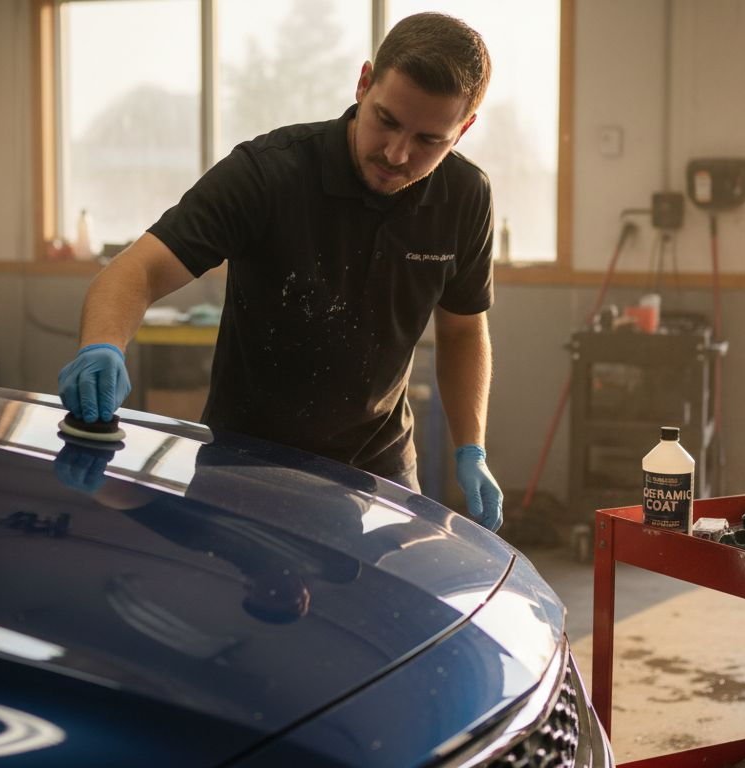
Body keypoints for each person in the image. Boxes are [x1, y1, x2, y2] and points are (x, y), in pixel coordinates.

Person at [57, 12, 504, 531]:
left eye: (430, 140)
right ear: (363, 84)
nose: (397, 153)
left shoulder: (466, 197)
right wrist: (103, 346)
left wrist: (471, 447)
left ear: (463, 129)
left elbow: (464, 327)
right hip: (244, 462)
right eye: (387, 120)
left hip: (379, 473)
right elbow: (138, 270)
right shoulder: (269, 173)